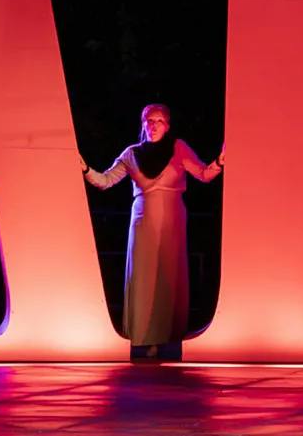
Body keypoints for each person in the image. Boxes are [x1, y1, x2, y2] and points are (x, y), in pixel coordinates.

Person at [90, 105, 220, 361]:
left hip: (173, 220)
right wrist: (85, 169)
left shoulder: (178, 148)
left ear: (168, 126)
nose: (154, 125)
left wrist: (220, 162)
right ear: (143, 124)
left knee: (169, 277)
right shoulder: (131, 154)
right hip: (142, 222)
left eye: (159, 120)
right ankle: (145, 339)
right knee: (145, 278)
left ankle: (170, 338)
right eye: (149, 120)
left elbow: (204, 174)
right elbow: (105, 181)